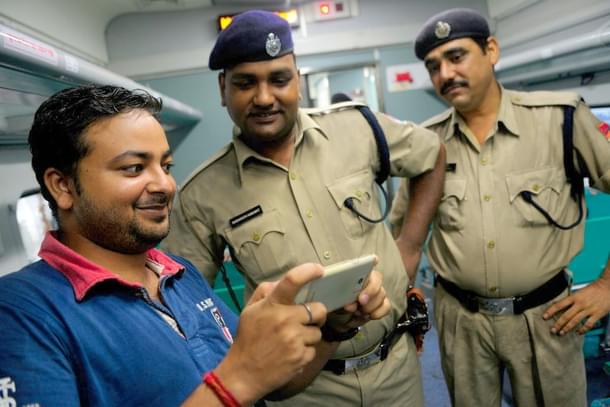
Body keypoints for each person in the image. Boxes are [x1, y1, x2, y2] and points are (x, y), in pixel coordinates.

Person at [0, 84, 391, 406]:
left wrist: (332, 330)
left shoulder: (176, 274)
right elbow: (244, 379)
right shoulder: (22, 312)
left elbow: (267, 381)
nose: (165, 185)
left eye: (165, 166)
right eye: (134, 168)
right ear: (62, 186)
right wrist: (238, 379)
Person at [163, 9, 446, 407]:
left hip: (397, 367)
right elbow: (184, 310)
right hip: (304, 390)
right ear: (223, 88)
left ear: (297, 80)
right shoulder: (201, 195)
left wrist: (411, 245)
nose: (264, 98)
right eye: (246, 83)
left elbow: (432, 155)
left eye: (279, 80)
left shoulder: (357, 129)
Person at [389, 8, 610, 406]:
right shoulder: (427, 143)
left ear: (491, 50)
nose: (445, 74)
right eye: (433, 66)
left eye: (457, 57)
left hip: (546, 318)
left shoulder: (559, 119)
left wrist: (607, 286)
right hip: (461, 321)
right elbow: (402, 237)